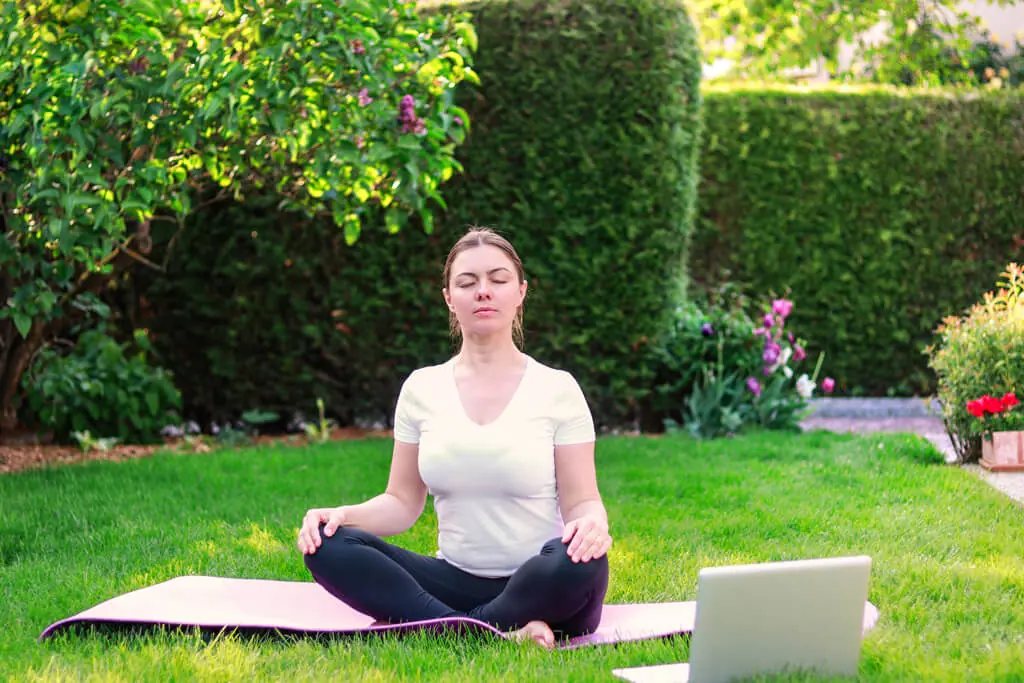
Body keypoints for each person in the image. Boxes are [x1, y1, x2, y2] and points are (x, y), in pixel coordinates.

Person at [297, 227, 612, 648]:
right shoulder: (421, 389)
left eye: (498, 280)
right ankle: (494, 631)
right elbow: (402, 504)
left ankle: (448, 627)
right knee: (329, 546)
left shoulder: (557, 389)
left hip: (541, 578)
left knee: (579, 565)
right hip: (453, 580)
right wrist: (339, 515)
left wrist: (592, 525)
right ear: (449, 297)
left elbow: (581, 501)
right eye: (467, 282)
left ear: (520, 292)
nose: (484, 291)